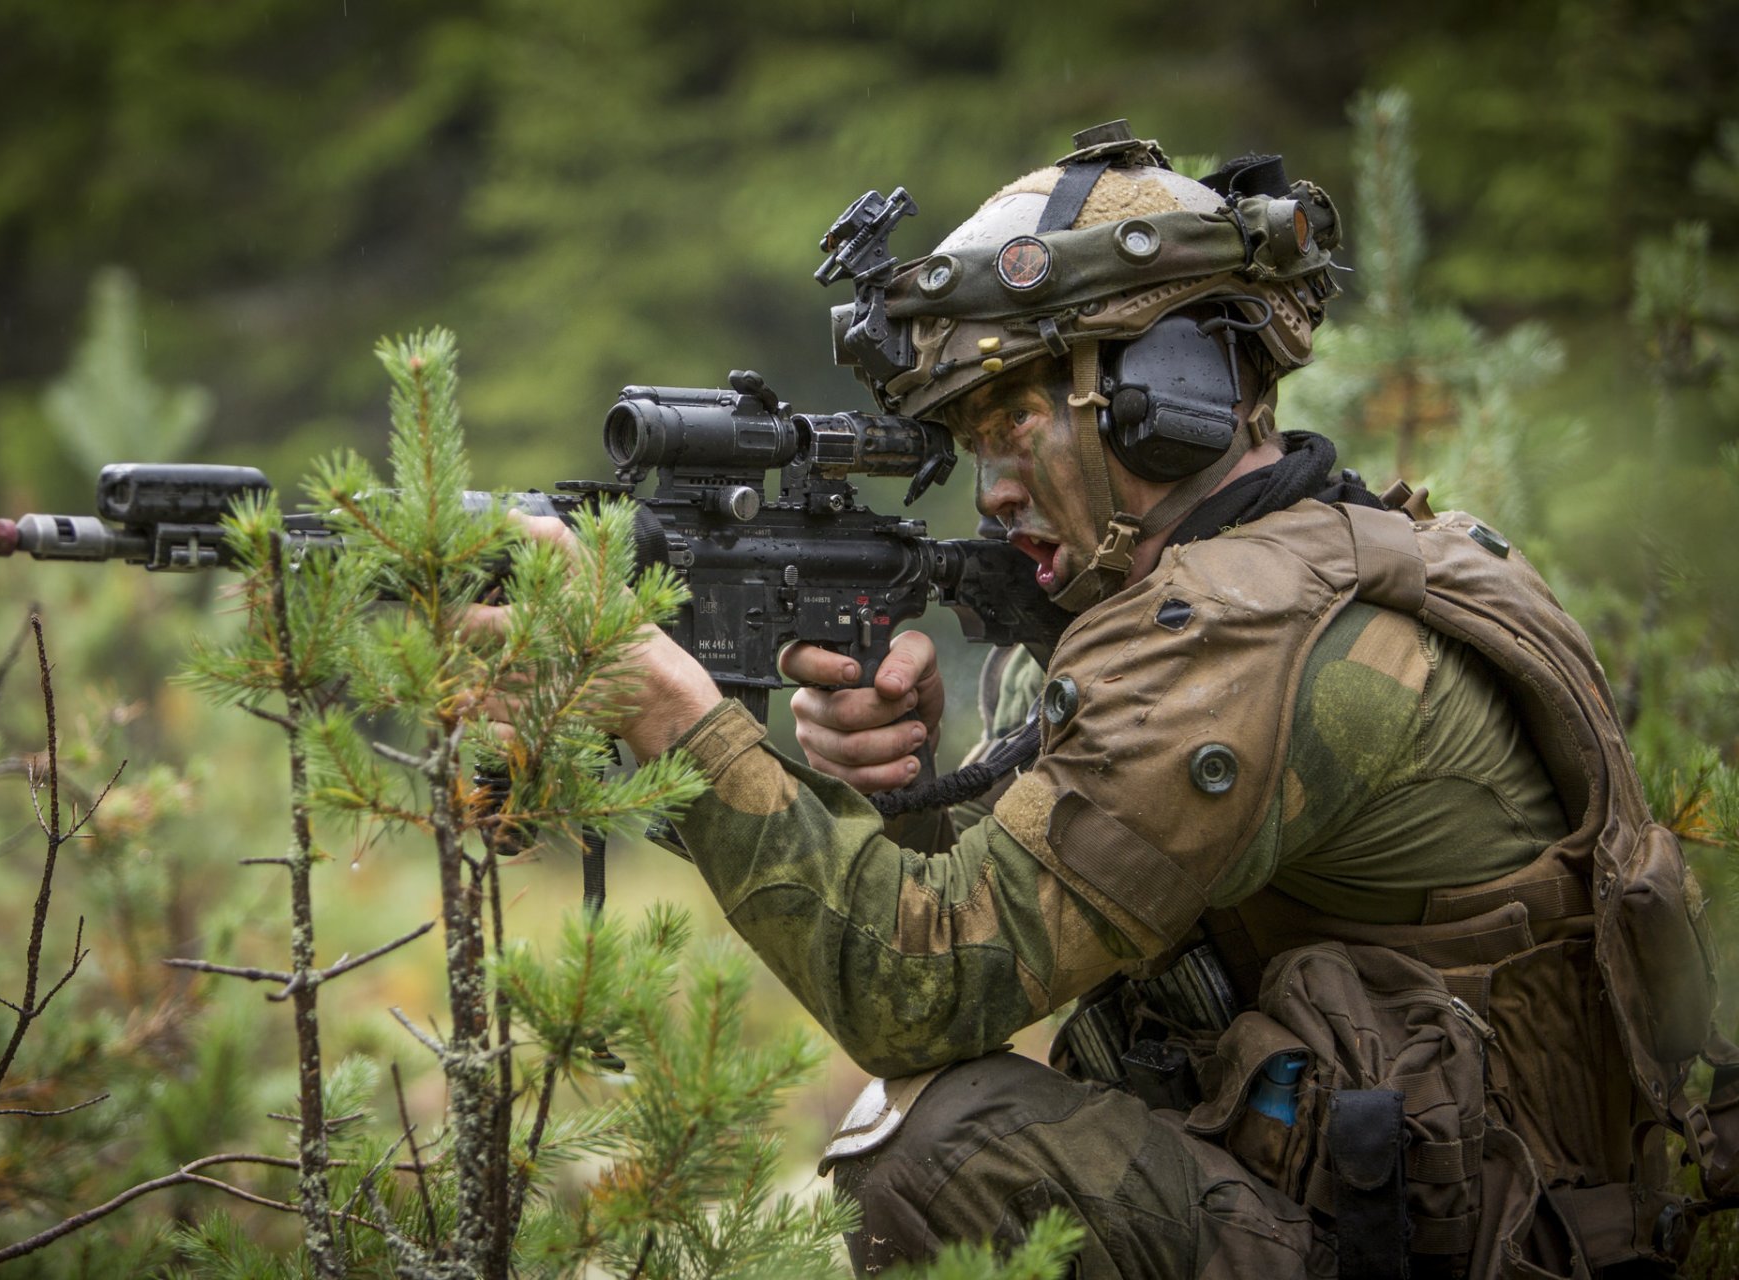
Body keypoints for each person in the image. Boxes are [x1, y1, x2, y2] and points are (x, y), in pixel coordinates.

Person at [501, 122, 1739, 1277]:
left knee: (944, 1149)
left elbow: (917, 985)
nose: (990, 491)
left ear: (1169, 396)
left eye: (1017, 419)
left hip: (1484, 1242)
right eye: (970, 442)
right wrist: (905, 783)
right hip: (1492, 1198)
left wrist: (674, 715)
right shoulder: (1356, 550)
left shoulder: (1237, 636)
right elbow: (1032, 886)